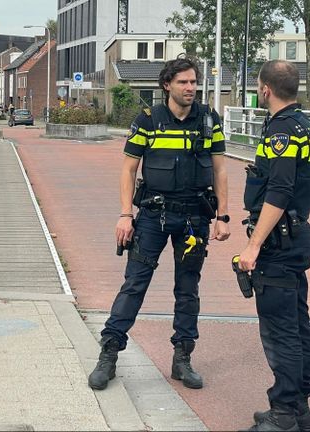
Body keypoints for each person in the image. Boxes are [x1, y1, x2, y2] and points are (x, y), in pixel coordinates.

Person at [88, 56, 230, 391]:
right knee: (135, 284)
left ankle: (183, 358)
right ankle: (108, 354)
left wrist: (223, 215)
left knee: (187, 288)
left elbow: (221, 169)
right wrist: (125, 214)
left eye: (194, 82)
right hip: (154, 215)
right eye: (183, 82)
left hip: (195, 217)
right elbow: (128, 169)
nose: (190, 88)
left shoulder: (209, 120)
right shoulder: (148, 120)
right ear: (167, 85)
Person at [238, 60, 310, 432]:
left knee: (281, 330)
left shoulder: (282, 130)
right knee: (297, 325)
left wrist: (253, 246)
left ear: (265, 89)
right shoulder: (304, 126)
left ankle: (284, 414)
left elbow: (279, 190)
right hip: (295, 237)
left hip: (278, 246)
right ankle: (298, 409)